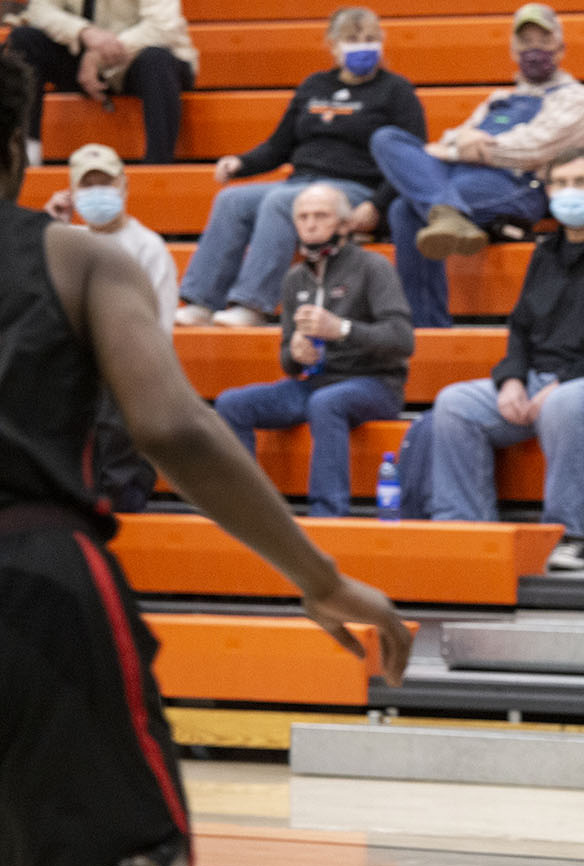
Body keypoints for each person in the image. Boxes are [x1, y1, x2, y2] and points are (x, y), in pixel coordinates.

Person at [0, 51, 412, 866]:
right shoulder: (73, 256)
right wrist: (317, 575)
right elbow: (173, 425)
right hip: (33, 596)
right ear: (18, 146)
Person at [417, 147, 584, 571]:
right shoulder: (545, 252)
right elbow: (520, 327)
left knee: (565, 402)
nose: (570, 192)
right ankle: (469, 534)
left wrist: (563, 381)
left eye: (581, 182)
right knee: (455, 404)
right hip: (546, 380)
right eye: (561, 184)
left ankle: (568, 535)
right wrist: (513, 379)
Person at [175, 6, 425, 328]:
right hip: (302, 180)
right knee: (232, 201)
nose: (363, 46)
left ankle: (252, 303)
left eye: (370, 38)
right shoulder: (314, 86)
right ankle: (201, 301)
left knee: (281, 203)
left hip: (353, 187)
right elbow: (279, 146)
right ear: (332, 45)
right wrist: (241, 163)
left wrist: (376, 205)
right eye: (352, 39)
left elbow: (411, 158)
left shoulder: (397, 91)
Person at [368, 2, 584, 327]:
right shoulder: (498, 99)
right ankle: (447, 213)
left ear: (561, 48)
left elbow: (537, 147)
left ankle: (427, 324)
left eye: (543, 41)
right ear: (512, 49)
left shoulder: (577, 99)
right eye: (525, 42)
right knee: (386, 139)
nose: (534, 50)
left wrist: (476, 148)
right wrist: (462, 146)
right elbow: (451, 139)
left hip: (519, 185)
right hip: (464, 178)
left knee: (405, 210)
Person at [214, 183, 414, 518]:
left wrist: (341, 329)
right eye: (303, 217)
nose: (310, 224)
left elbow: (402, 340)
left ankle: (328, 514)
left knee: (326, 403)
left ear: (344, 224)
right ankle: (246, 511)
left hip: (375, 383)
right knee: (231, 404)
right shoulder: (295, 278)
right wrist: (295, 353)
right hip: (315, 382)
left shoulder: (372, 267)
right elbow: (288, 363)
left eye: (320, 216)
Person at [43, 141, 176, 512]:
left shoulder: (148, 248)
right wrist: (50, 227)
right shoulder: (64, 241)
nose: (97, 192)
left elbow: (160, 333)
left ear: (124, 186)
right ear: (71, 193)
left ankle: (119, 501)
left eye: (106, 183)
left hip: (126, 383)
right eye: (87, 185)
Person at [6, 0, 196, 164]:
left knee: (157, 60)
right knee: (23, 40)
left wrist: (99, 55)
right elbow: (39, 10)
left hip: (140, 59)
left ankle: (157, 169)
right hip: (82, 59)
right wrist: (83, 31)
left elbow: (162, 27)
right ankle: (26, 156)